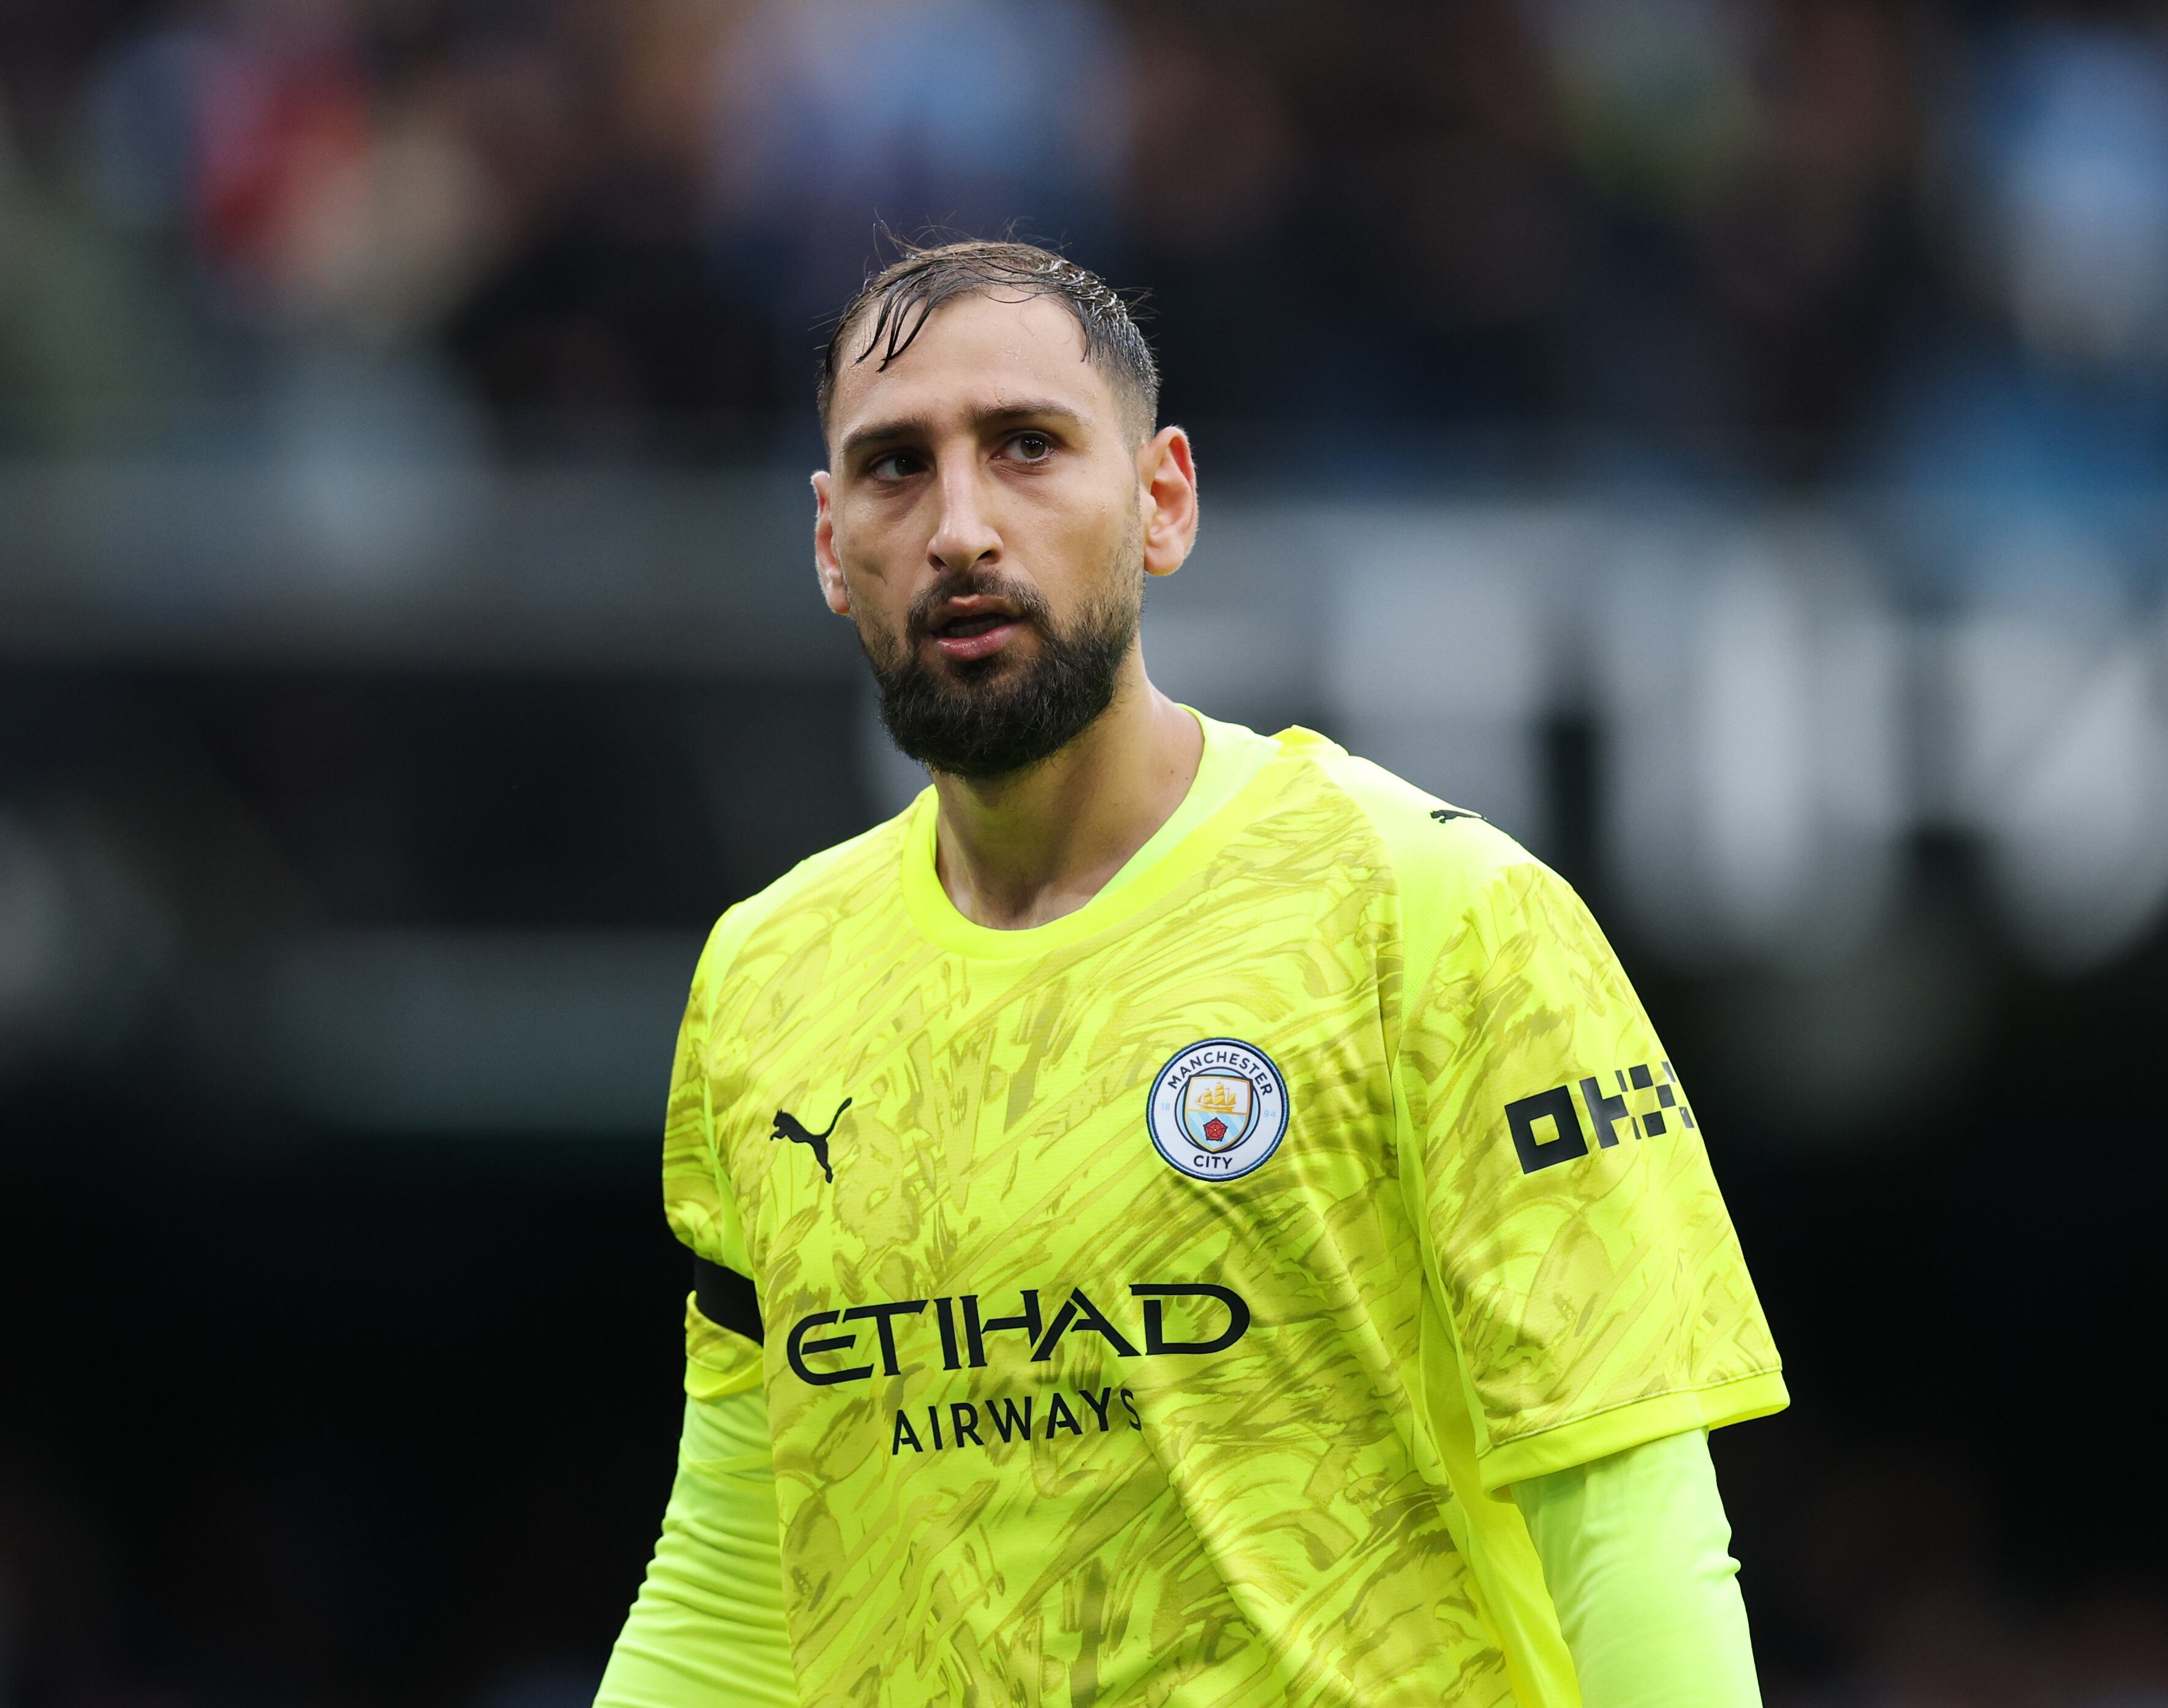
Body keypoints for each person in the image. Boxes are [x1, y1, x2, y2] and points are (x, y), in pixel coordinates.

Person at [596, 239, 1787, 1708]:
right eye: (897, 468)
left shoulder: (1436, 915)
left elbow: (1632, 1535)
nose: (962, 525)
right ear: (833, 544)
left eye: (1027, 447)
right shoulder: (766, 975)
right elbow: (740, 1569)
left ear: (1163, 501)